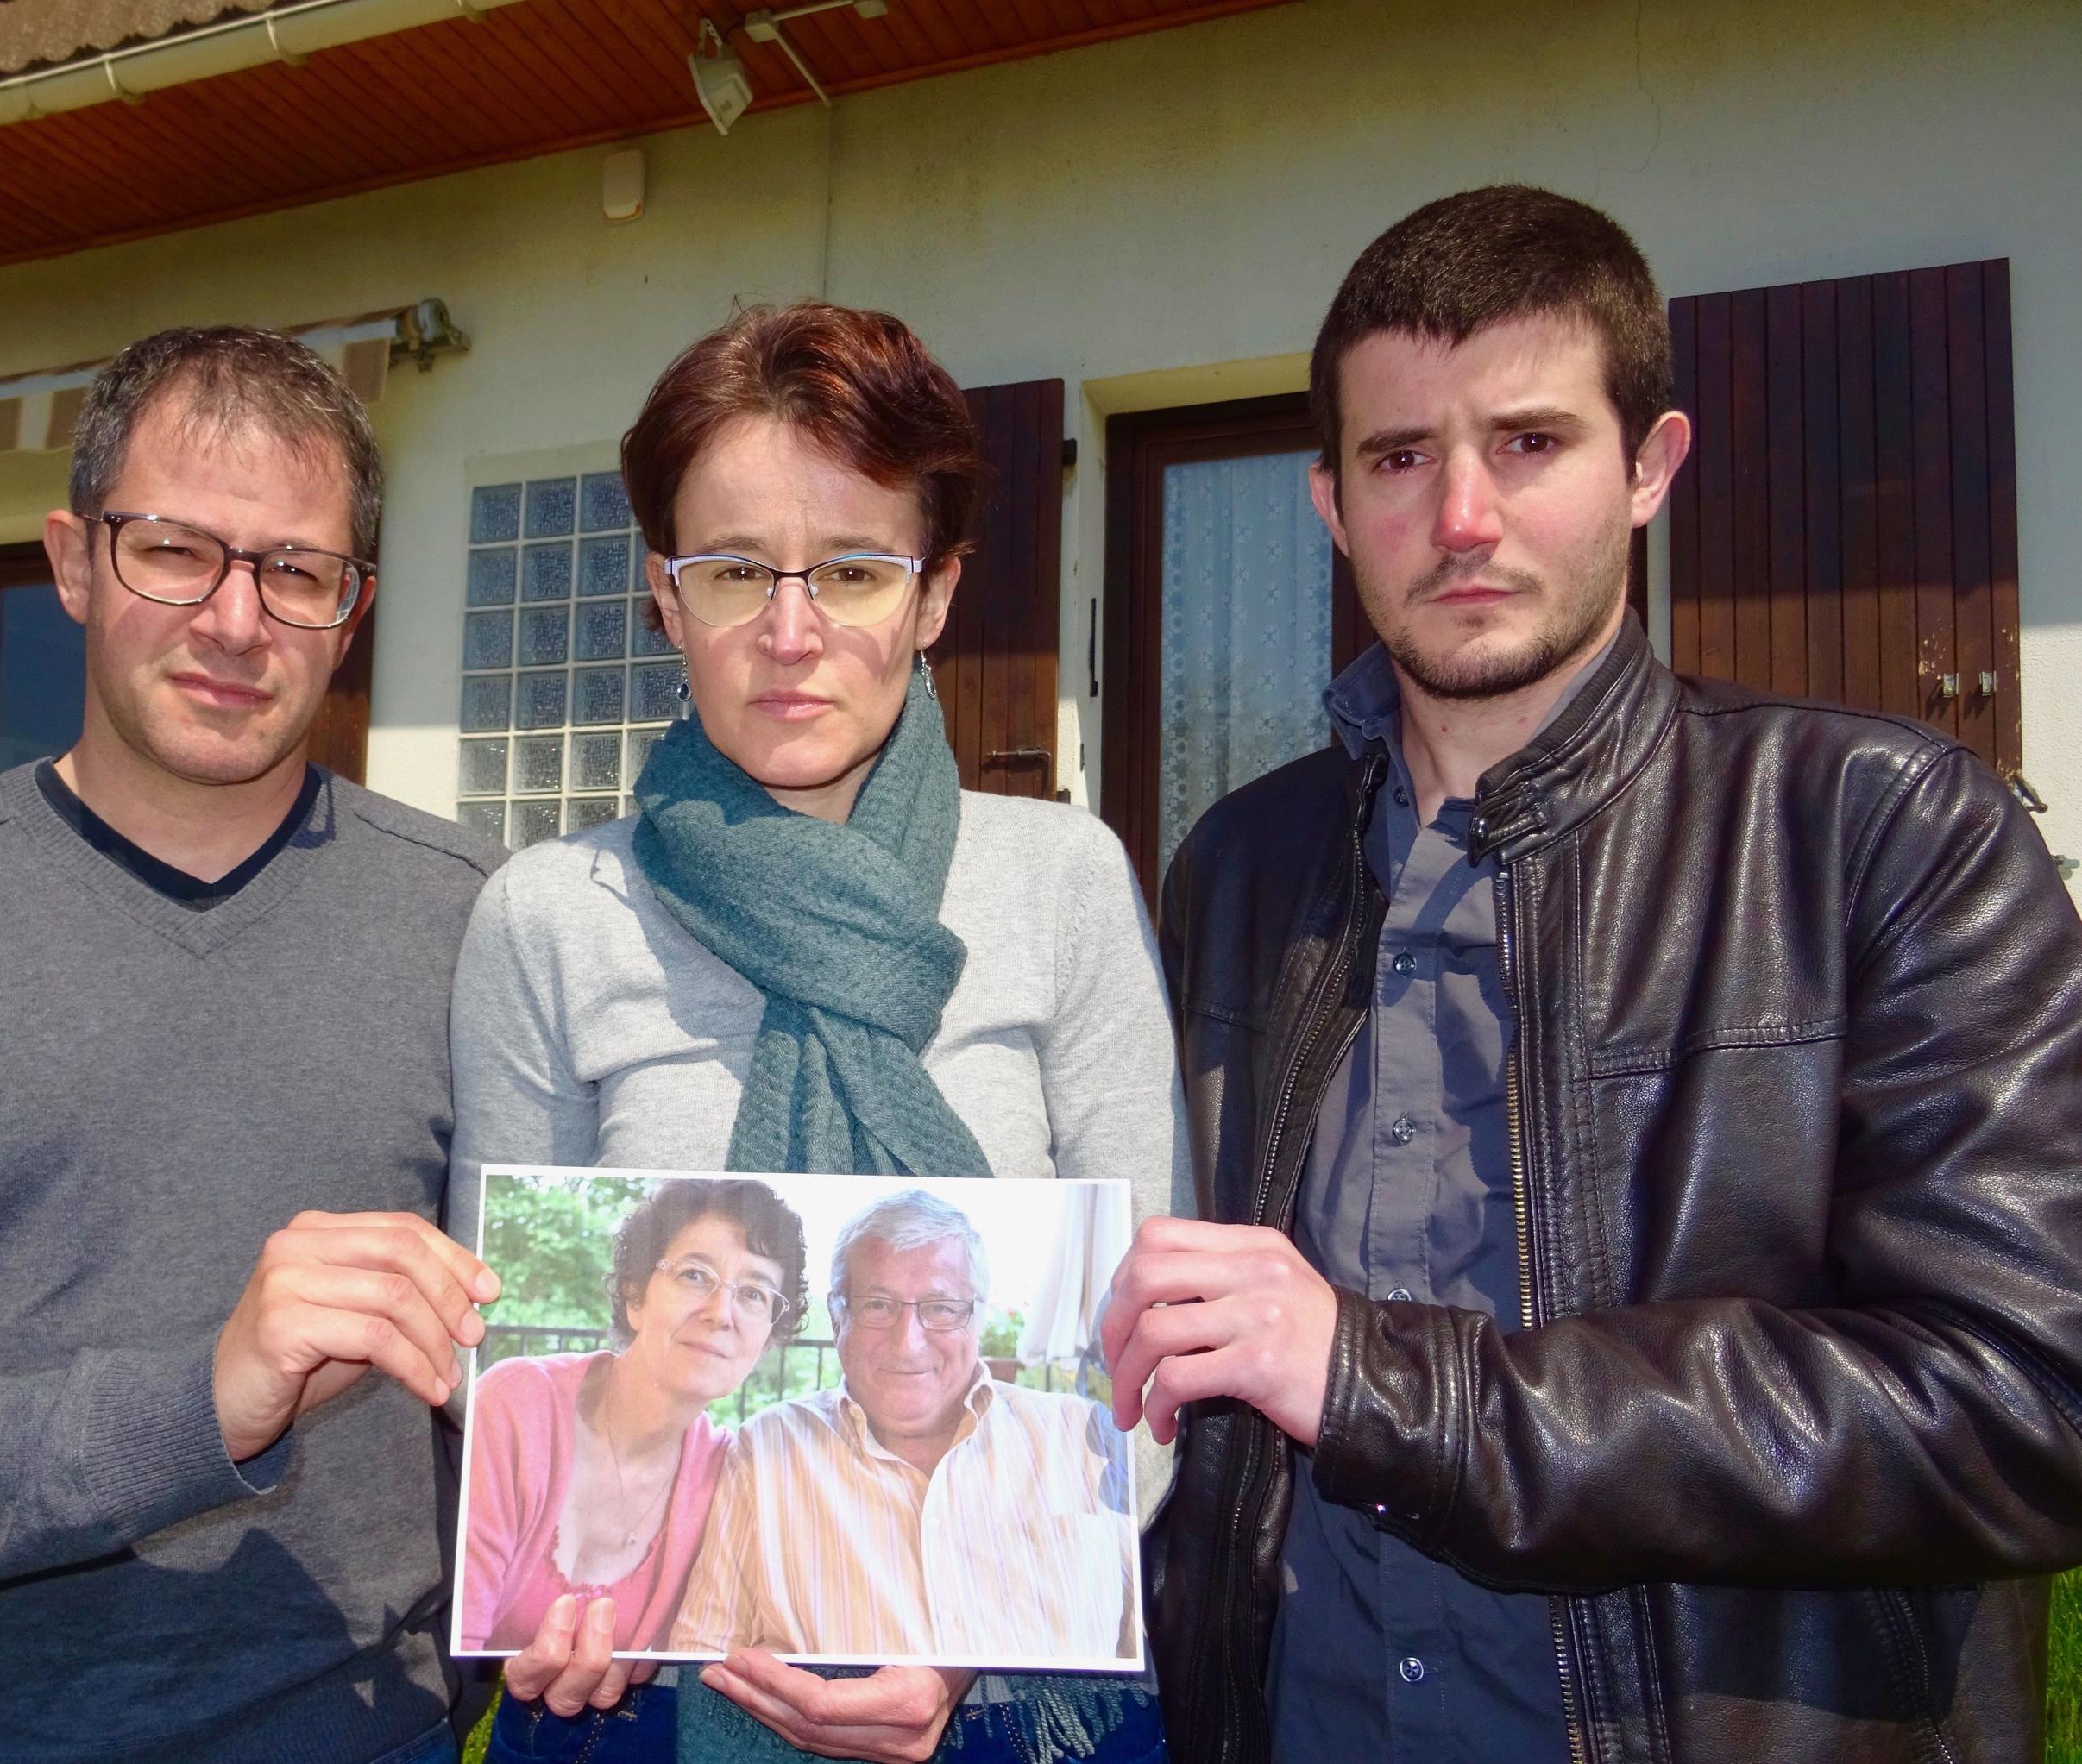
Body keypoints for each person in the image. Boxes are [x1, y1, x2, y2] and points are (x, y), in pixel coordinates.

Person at [1103, 185, 2082, 1764]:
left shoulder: (1880, 834)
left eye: (1531, 442)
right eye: (1401, 457)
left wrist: (1380, 1381)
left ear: (1651, 466)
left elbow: (2028, 1402)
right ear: (1331, 506)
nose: (1463, 515)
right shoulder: (1240, 867)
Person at [0, 326, 506, 1764]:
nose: (237, 621)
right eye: (176, 550)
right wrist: (198, 1406)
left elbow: (552, 1381)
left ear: (351, 607)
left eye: (295, 571)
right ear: (72, 560)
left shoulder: (485, 928)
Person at [450, 300, 1183, 1764]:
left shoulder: (1064, 881)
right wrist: (559, 1590)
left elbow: (1149, 1346)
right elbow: (506, 1355)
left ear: (935, 595)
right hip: (651, 1689)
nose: (790, 634)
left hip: (1017, 1667)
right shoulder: (550, 915)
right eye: (732, 573)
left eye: (853, 570)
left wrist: (967, 1630)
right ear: (666, 598)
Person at [670, 1190, 1136, 1664]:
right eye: (877, 1305)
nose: (908, 1343)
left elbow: (1159, 1652)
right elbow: (702, 1657)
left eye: (940, 1307)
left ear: (979, 1314)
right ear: (837, 1316)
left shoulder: (1085, 1436)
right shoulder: (768, 1447)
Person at [457, 1177, 808, 1652]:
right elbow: (451, 1650)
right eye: (694, 1275)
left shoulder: (728, 1476)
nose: (721, 1312)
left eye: (754, 1293)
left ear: (767, 1338)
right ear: (635, 1295)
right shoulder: (516, 1405)